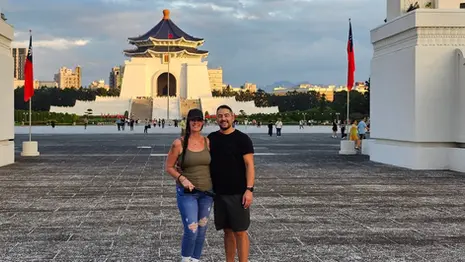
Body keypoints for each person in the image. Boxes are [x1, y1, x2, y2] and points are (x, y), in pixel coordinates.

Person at [165, 109, 214, 262]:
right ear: (188, 122)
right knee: (192, 229)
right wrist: (182, 179)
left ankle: (195, 259)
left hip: (207, 192)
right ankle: (185, 260)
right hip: (187, 193)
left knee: (202, 229)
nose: (196, 122)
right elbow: (169, 167)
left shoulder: (207, 142)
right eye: (193, 119)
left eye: (199, 119)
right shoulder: (179, 143)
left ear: (203, 123)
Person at [208, 105, 255, 262]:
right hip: (219, 193)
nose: (223, 119)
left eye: (226, 115)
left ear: (233, 117)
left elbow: (249, 165)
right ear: (216, 118)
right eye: (220, 116)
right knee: (227, 231)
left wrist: (249, 190)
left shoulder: (242, 139)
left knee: (240, 231)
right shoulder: (212, 139)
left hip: (238, 193)